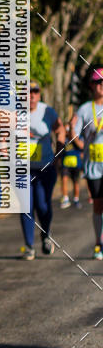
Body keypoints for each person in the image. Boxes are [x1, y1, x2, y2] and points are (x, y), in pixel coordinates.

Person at [19, 81, 65, 260]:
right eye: (27, 92)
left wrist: (59, 151)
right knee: (26, 207)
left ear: (39, 94)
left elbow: (60, 128)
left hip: (45, 168)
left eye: (35, 91)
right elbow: (5, 134)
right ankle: (29, 246)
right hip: (22, 169)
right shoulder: (15, 112)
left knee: (43, 204)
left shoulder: (47, 111)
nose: (31, 95)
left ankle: (46, 235)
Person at [71, 68, 103, 260]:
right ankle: (98, 243)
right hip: (93, 166)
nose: (101, 86)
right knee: (98, 206)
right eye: (98, 82)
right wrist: (81, 143)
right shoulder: (85, 109)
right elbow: (73, 132)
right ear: (92, 85)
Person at [60, 115, 83, 210]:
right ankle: (65, 198)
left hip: (76, 164)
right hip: (65, 164)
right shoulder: (63, 139)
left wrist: (71, 130)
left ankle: (76, 199)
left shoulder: (77, 137)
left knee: (75, 183)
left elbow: (80, 145)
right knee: (64, 180)